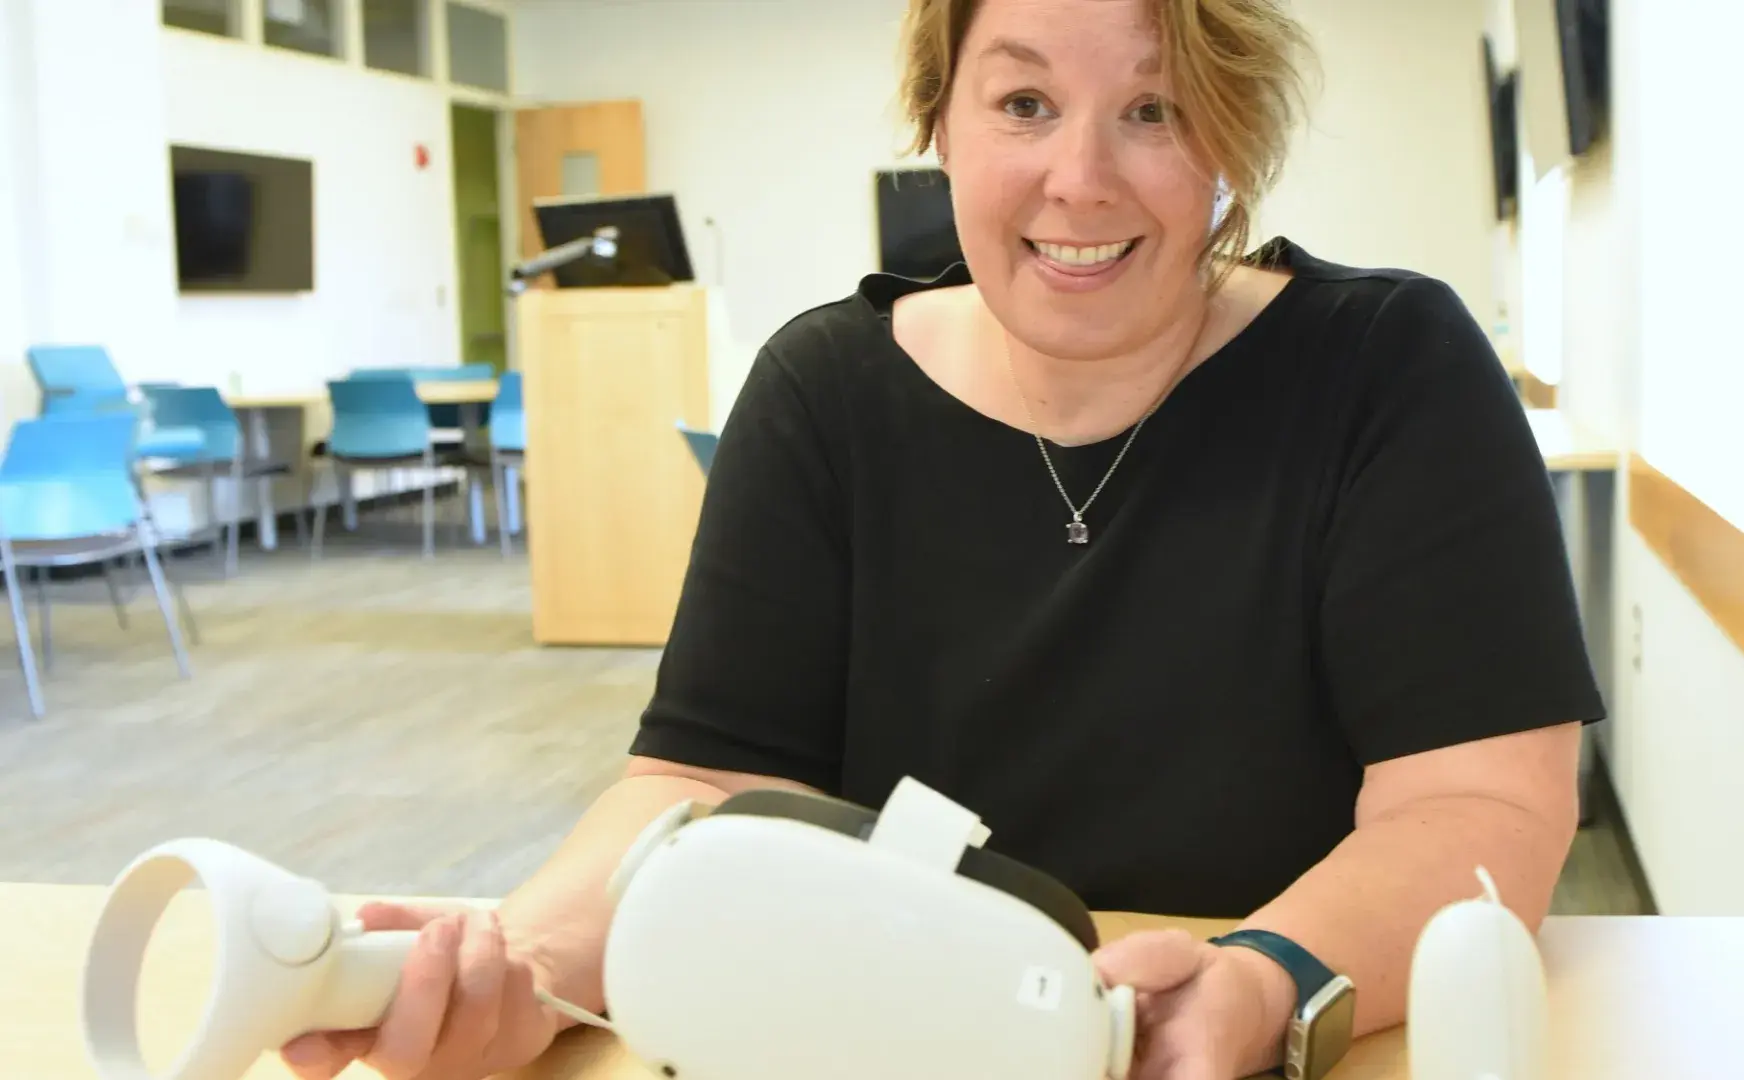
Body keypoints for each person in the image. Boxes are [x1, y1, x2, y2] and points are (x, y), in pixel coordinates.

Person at [282, 0, 1603, 1077]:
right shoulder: (824, 391)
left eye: (1152, 107)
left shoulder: (1389, 372)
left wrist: (1263, 982)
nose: (1078, 179)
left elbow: (1481, 808)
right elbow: (698, 786)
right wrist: (532, 974)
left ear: (1235, 140)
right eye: (1023, 102)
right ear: (941, 120)